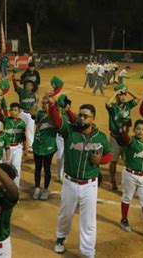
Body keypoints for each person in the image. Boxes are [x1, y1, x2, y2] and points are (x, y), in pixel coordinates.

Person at [49, 99, 112, 257]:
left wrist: (101, 161)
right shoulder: (70, 131)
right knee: (66, 215)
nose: (82, 118)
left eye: (86, 116)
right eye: (80, 115)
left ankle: (88, 252)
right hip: (70, 182)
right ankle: (60, 238)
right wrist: (52, 106)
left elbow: (109, 154)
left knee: (89, 221)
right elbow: (57, 122)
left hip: (90, 185)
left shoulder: (101, 137)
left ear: (93, 119)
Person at [106, 85, 141, 190]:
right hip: (114, 137)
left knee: (128, 160)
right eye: (121, 95)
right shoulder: (113, 108)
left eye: (123, 95)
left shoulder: (128, 105)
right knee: (113, 161)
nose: (122, 97)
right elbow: (107, 103)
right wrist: (116, 92)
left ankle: (129, 181)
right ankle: (112, 179)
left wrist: (128, 90)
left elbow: (138, 98)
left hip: (125, 137)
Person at [31, 95, 58, 200]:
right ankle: (37, 188)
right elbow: (32, 113)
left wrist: (52, 106)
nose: (43, 105)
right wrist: (35, 102)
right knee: (37, 168)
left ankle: (46, 189)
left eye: (45, 103)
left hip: (49, 147)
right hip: (38, 145)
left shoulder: (54, 116)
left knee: (47, 169)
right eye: (42, 103)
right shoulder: (40, 114)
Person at [0, 102, 27, 187]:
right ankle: (3, 187)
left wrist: (25, 147)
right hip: (6, 148)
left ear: (19, 111)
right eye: (12, 110)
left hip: (17, 147)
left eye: (15, 110)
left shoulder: (22, 123)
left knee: (16, 167)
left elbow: (23, 136)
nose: (13, 112)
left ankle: (15, 188)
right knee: (5, 167)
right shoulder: (6, 120)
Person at [12, 75, 37, 152]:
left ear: (33, 87)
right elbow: (16, 87)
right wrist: (14, 80)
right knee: (19, 128)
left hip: (30, 114)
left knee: (30, 130)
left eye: (30, 85)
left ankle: (30, 146)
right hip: (22, 113)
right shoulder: (22, 91)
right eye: (26, 85)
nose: (28, 86)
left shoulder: (34, 94)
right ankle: (20, 144)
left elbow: (35, 106)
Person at [55, 97, 74, 182]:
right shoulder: (61, 115)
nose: (67, 107)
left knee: (66, 158)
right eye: (66, 105)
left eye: (69, 106)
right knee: (59, 158)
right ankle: (58, 174)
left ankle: (63, 175)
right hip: (59, 138)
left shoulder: (72, 115)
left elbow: (74, 121)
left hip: (68, 140)